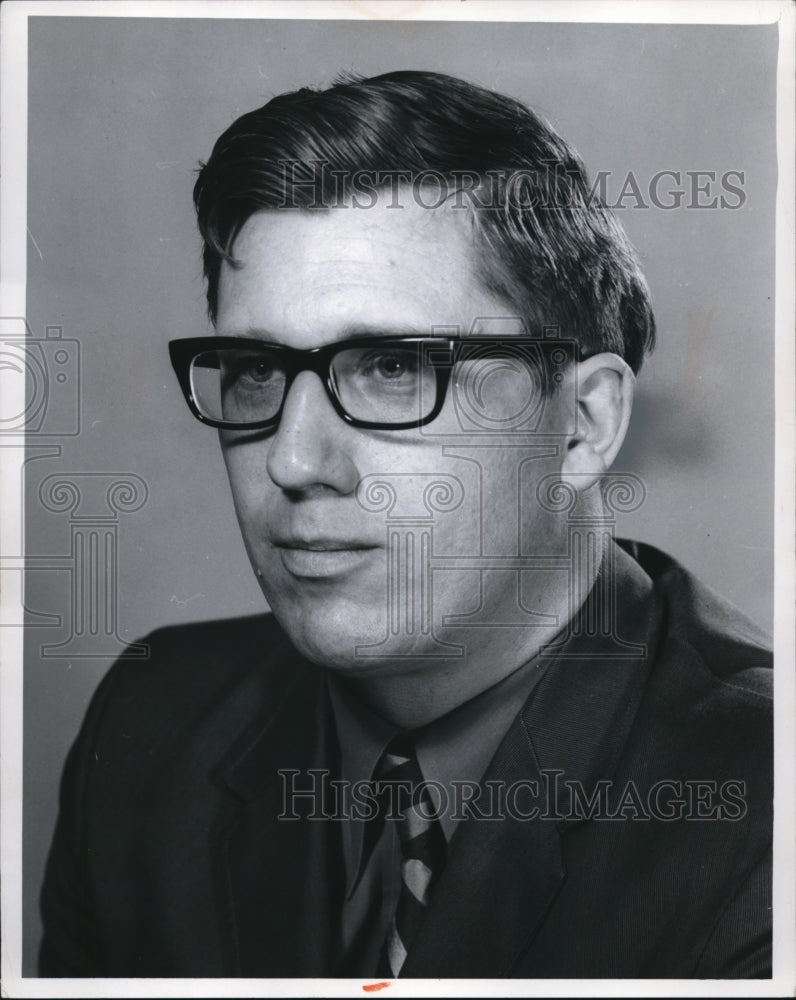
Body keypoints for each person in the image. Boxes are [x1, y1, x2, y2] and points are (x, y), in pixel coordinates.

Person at [39, 71, 772, 980]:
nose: (294, 461)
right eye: (257, 372)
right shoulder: (154, 728)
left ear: (584, 423)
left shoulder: (766, 814)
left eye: (393, 368)